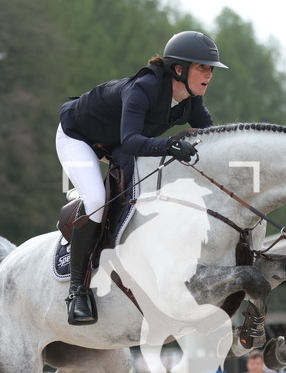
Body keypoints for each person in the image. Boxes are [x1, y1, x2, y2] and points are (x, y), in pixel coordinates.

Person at [56, 30, 227, 325]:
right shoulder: (144, 88)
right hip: (79, 137)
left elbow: (212, 138)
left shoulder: (191, 99)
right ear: (178, 69)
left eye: (210, 68)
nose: (209, 75)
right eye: (202, 67)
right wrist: (171, 144)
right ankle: (77, 292)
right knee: (96, 199)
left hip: (116, 144)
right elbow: (133, 141)